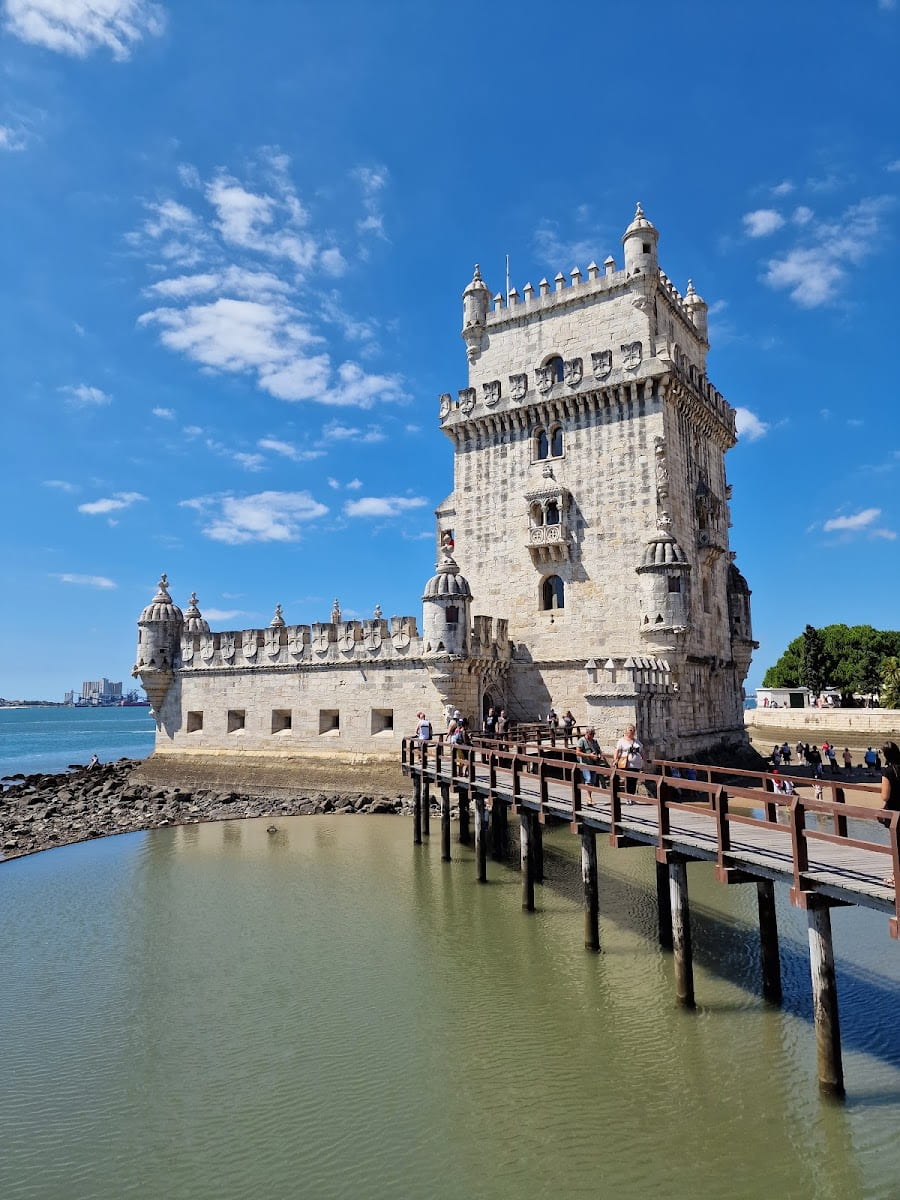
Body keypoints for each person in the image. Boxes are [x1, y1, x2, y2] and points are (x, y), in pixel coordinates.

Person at [880, 742, 900, 886]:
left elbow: (885, 796)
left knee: (897, 846)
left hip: (896, 813)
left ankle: (895, 876)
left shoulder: (888, 771)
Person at [615, 723, 644, 796]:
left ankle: (632, 796)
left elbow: (641, 751)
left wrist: (644, 760)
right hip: (627, 764)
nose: (631, 732)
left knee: (634, 780)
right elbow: (617, 750)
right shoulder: (621, 741)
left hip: (636, 764)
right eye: (630, 730)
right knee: (628, 780)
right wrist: (615, 759)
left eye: (633, 731)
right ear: (626, 732)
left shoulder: (637, 741)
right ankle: (628, 796)